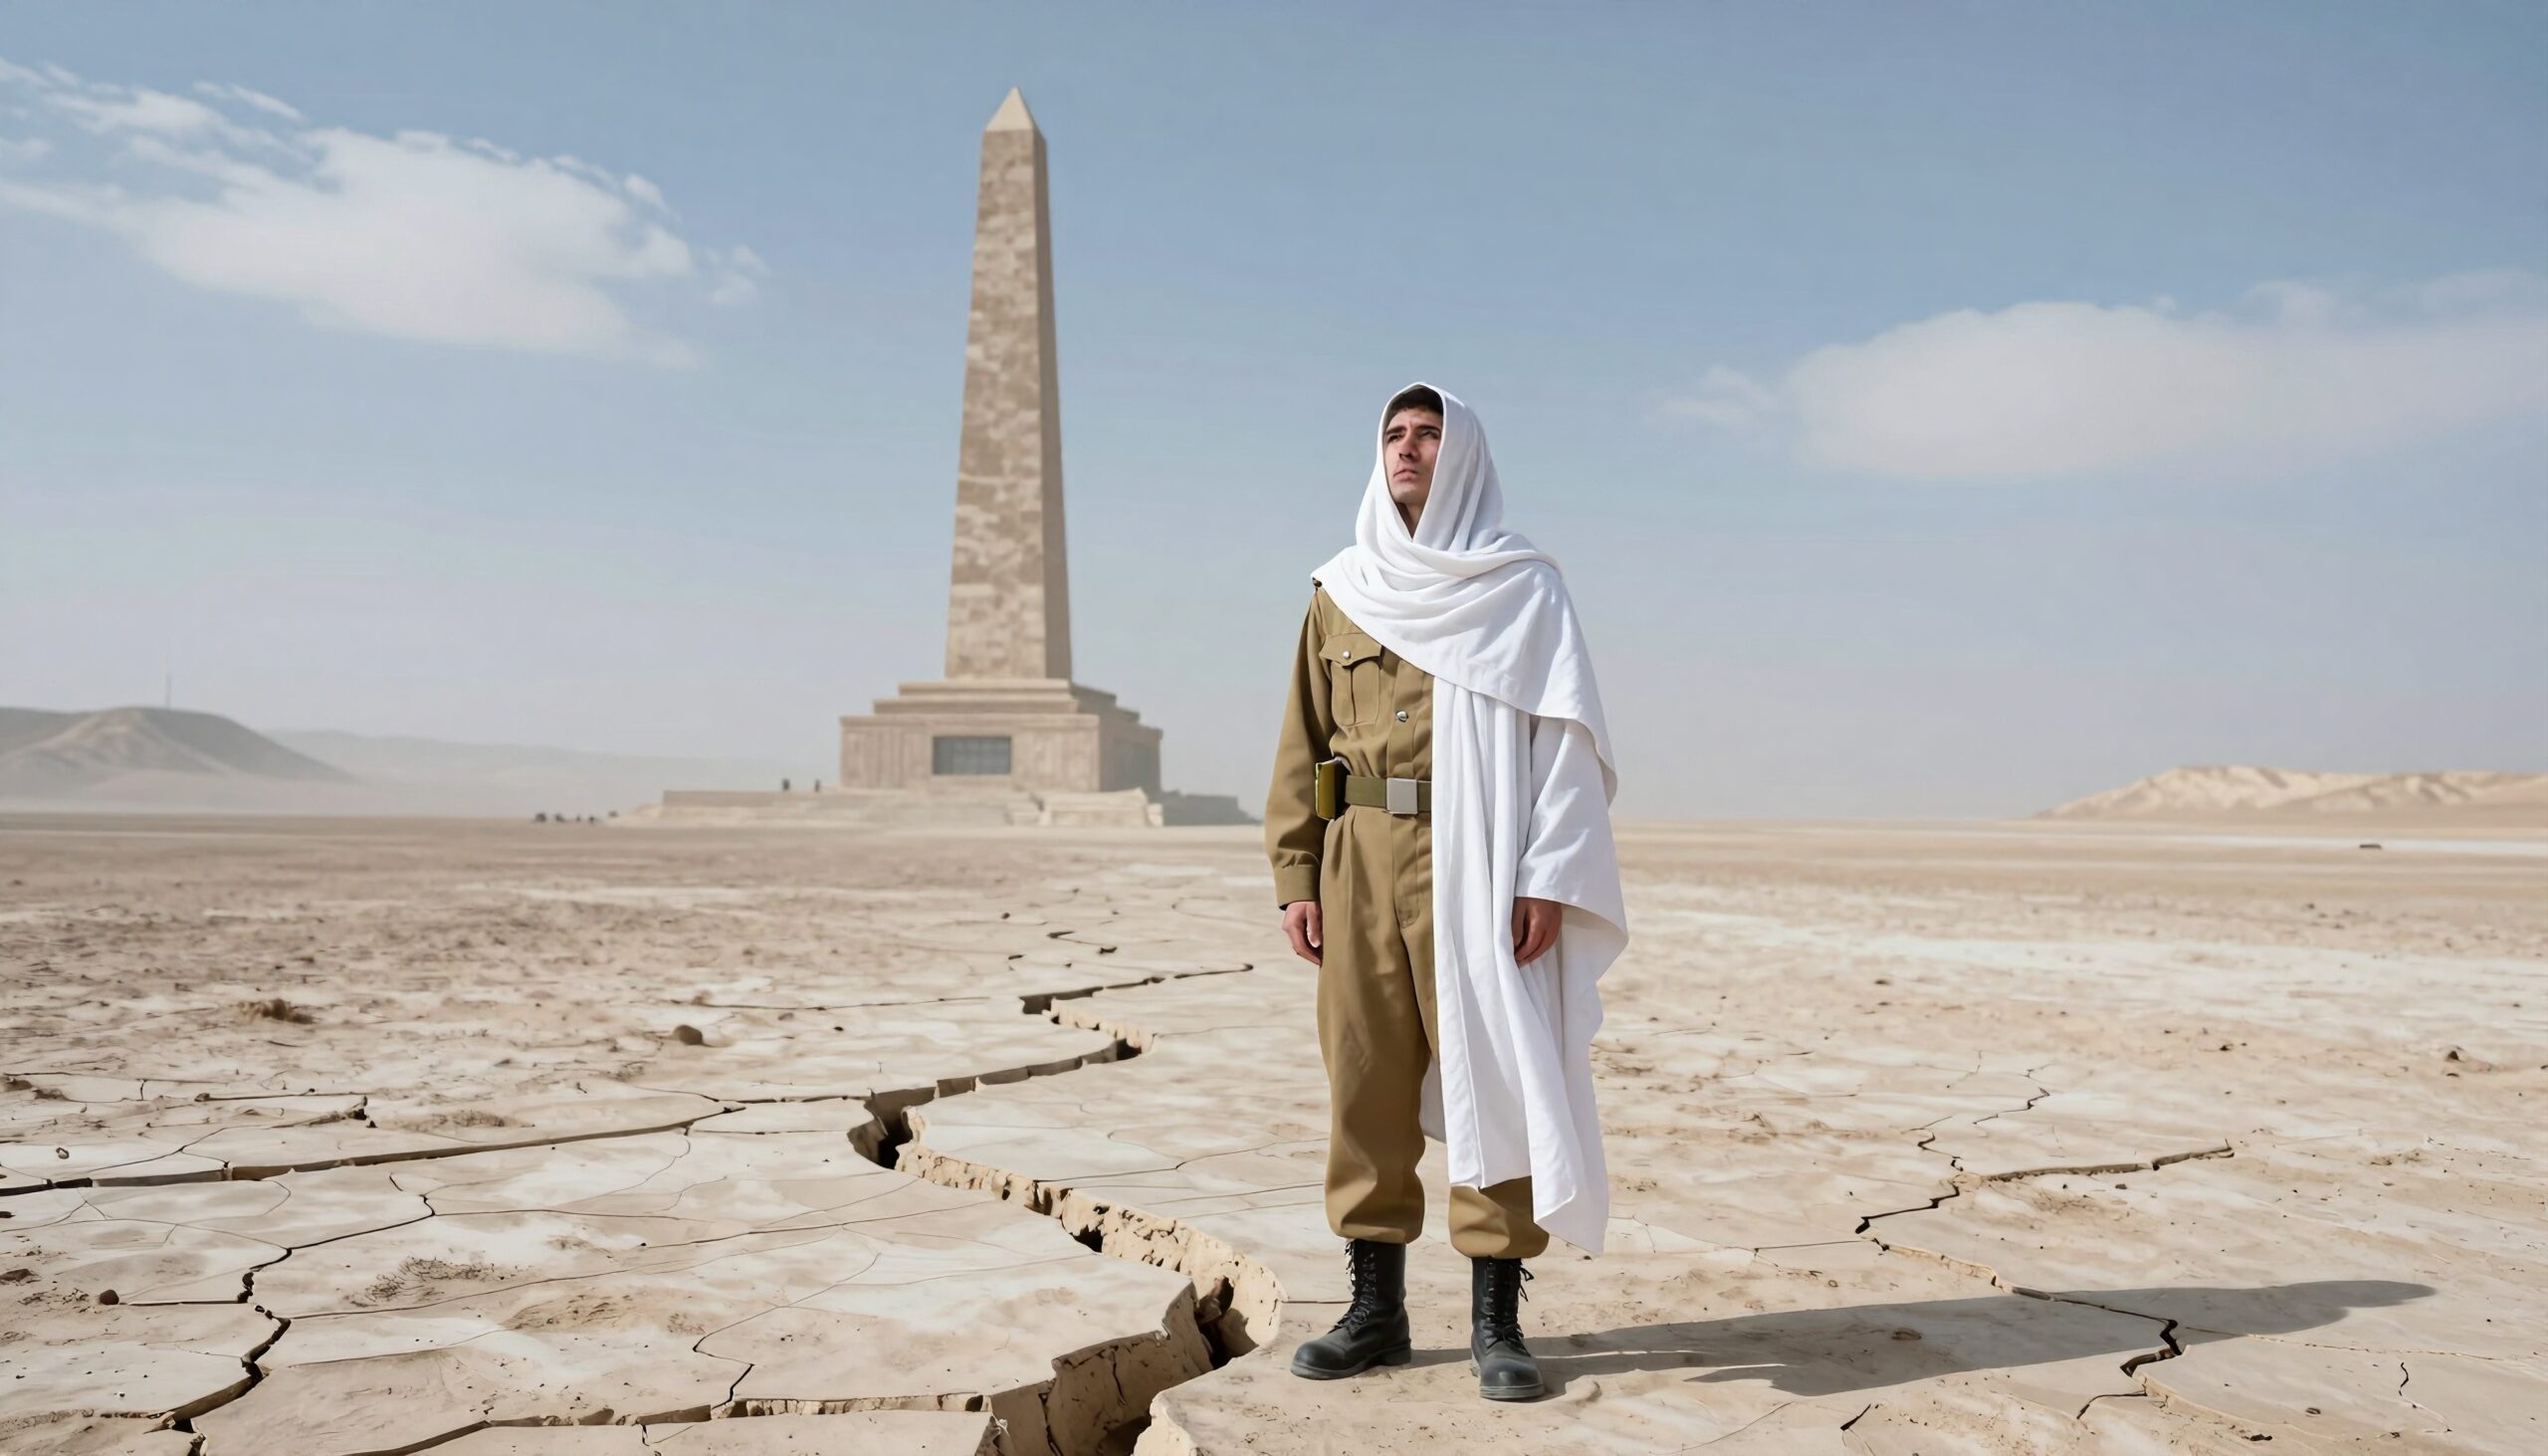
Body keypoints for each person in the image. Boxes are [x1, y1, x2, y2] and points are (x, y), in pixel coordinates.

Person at [1263, 382, 1628, 1402]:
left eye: (1428, 434)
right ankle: (1373, 1309)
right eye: (1394, 434)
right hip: (1358, 860)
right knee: (1364, 1081)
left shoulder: (1520, 588)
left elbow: (1561, 746)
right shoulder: (1338, 589)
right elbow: (1303, 743)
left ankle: (1495, 1319)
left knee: (1493, 1072)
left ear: (1461, 453)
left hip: (1479, 857)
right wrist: (1298, 870)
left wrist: (1546, 876)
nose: (1409, 449)